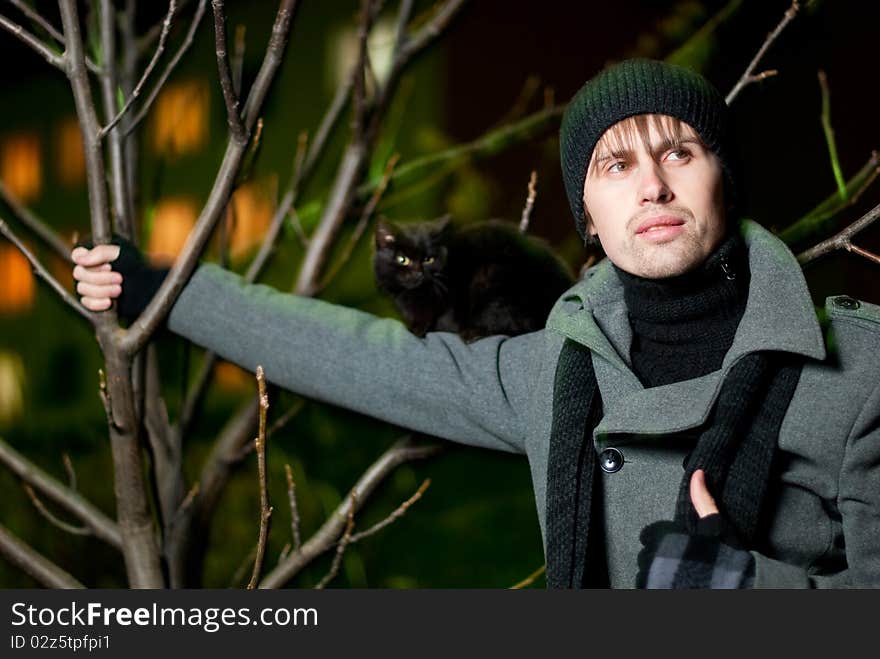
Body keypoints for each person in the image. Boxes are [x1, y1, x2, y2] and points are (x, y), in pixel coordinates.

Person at [71, 59, 880, 588]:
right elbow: (342, 350)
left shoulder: (858, 370)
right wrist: (160, 287)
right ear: (589, 218)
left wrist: (747, 590)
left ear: (723, 182)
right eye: (617, 164)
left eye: (680, 153)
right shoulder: (556, 373)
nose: (653, 187)